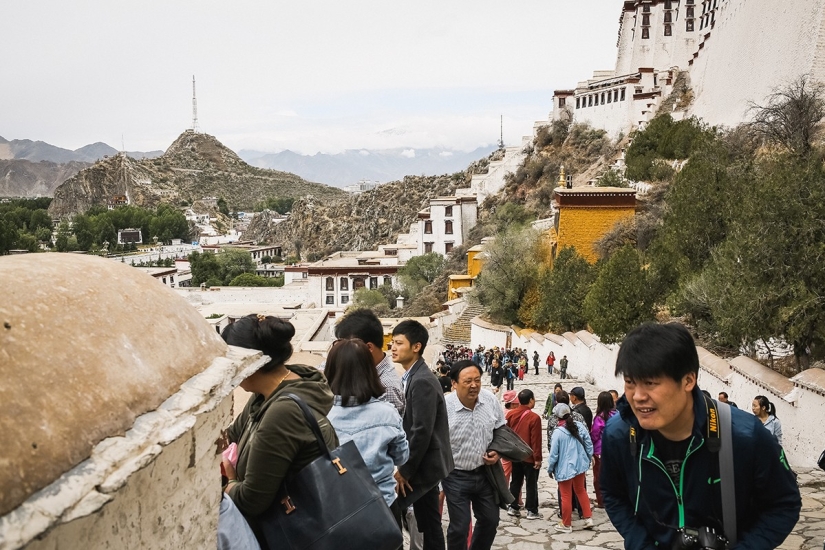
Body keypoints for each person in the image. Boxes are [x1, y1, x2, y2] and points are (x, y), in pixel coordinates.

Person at [601, 322, 801, 549]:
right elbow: (613, 495)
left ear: (688, 380)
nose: (637, 396)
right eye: (630, 383)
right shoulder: (619, 434)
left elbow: (784, 504)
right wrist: (641, 544)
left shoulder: (744, 435)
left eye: (650, 383)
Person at [220, 314, 339, 548]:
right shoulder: (268, 393)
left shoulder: (283, 411)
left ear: (248, 362)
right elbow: (231, 435)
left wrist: (229, 480)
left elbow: (251, 500)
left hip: (293, 534)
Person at [325, 338, 410, 508]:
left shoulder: (321, 414)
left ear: (331, 370)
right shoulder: (387, 413)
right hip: (382, 504)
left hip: (337, 507)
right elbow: (401, 456)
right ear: (369, 370)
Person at [391, 320, 453, 550]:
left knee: (428, 523)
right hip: (425, 463)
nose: (393, 348)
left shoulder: (422, 381)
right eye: (392, 343)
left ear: (416, 347)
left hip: (425, 465)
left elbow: (421, 430)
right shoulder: (414, 376)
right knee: (428, 522)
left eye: (399, 343)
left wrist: (405, 471)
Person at [442, 360, 504, 550]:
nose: (474, 385)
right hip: (455, 475)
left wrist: (497, 451)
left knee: (490, 520)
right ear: (454, 383)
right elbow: (435, 442)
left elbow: (501, 429)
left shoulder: (489, 400)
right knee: (460, 528)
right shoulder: (444, 407)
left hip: (485, 473)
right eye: (468, 381)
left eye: (477, 380)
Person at [333, 308, 405, 416]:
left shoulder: (387, 387)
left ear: (369, 347)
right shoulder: (364, 370)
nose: (343, 351)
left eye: (347, 346)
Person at [547, 403, 594, 533]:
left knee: (566, 495)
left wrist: (550, 468)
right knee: (581, 490)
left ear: (557, 417)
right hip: (580, 465)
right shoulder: (579, 426)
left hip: (565, 468)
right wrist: (589, 457)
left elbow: (554, 454)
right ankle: (588, 518)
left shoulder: (558, 432)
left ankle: (566, 524)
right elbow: (588, 443)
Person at [505, 389, 543, 520]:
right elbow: (535, 440)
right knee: (531, 483)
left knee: (516, 481)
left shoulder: (511, 414)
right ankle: (531, 510)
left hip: (516, 455)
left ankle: (513, 507)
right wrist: (537, 458)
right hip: (529, 456)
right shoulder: (534, 418)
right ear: (531, 400)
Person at [589, 391, 617, 509]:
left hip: (600, 451)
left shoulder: (600, 418)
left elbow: (594, 435)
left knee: (599, 477)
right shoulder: (617, 415)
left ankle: (601, 500)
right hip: (615, 450)